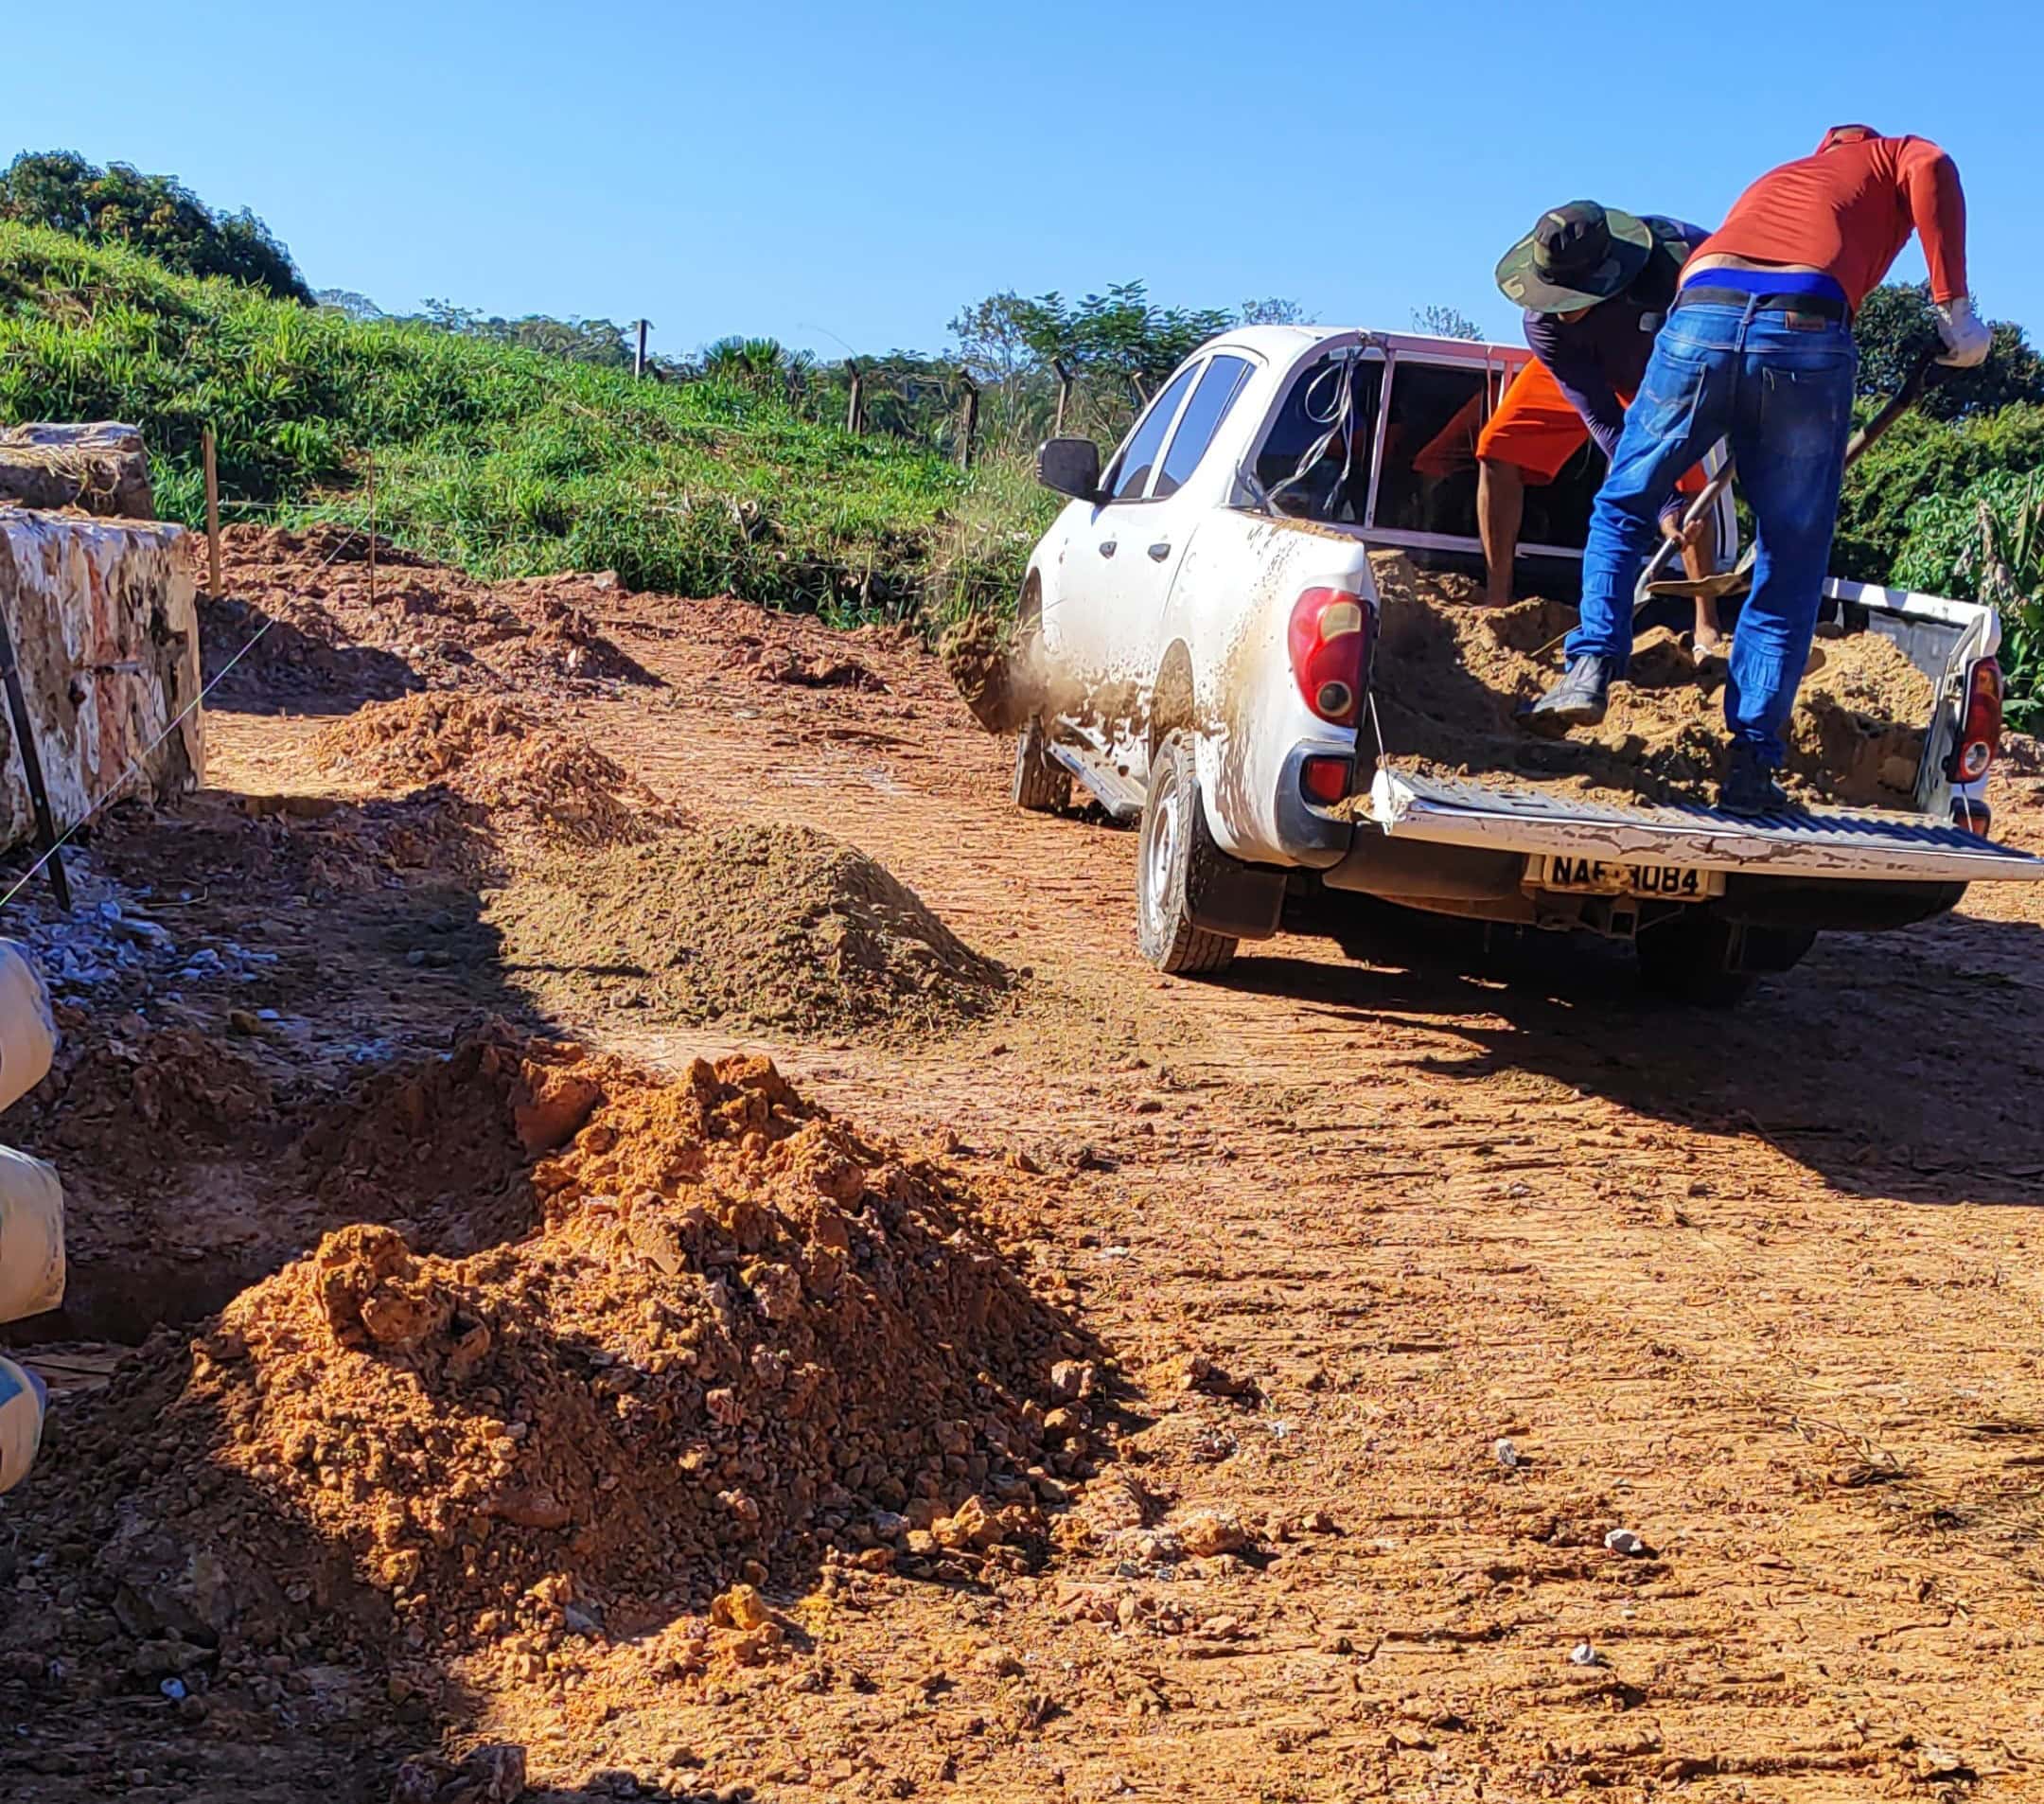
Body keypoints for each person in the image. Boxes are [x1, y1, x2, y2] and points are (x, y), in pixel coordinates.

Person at [1526, 128, 1992, 812]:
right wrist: (1956, 311)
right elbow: (1933, 163)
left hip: (1700, 317)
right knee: (1790, 555)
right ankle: (1750, 764)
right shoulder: (1890, 156)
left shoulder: (1784, 177)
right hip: (1804, 327)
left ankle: (1590, 665)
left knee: (1620, 504)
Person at [1483, 202, 1724, 653]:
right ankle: (1498, 599)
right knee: (1500, 446)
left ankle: (1706, 623)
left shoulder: (1683, 261)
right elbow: (1604, 419)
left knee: (1686, 484)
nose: (1560, 308)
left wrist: (1671, 496)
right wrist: (1659, 498)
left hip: (1663, 374)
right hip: (1589, 375)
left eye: (1571, 295)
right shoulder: (1544, 326)